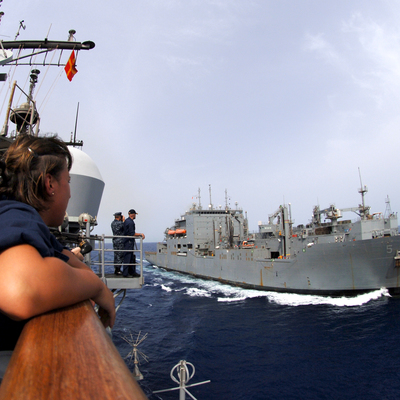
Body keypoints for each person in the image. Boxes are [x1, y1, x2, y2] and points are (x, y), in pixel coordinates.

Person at [0, 135, 116, 354]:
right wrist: (98, 287)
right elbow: (22, 289)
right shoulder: (14, 216)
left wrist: (92, 283)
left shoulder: (31, 223)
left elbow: (67, 258)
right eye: (68, 182)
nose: (71, 192)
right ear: (50, 183)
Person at [123, 209, 145, 277]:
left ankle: (132, 272)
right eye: (135, 214)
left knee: (131, 257)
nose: (135, 215)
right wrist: (141, 234)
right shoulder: (130, 222)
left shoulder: (127, 221)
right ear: (132, 214)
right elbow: (132, 233)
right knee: (128, 257)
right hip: (129, 242)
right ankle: (126, 273)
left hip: (128, 241)